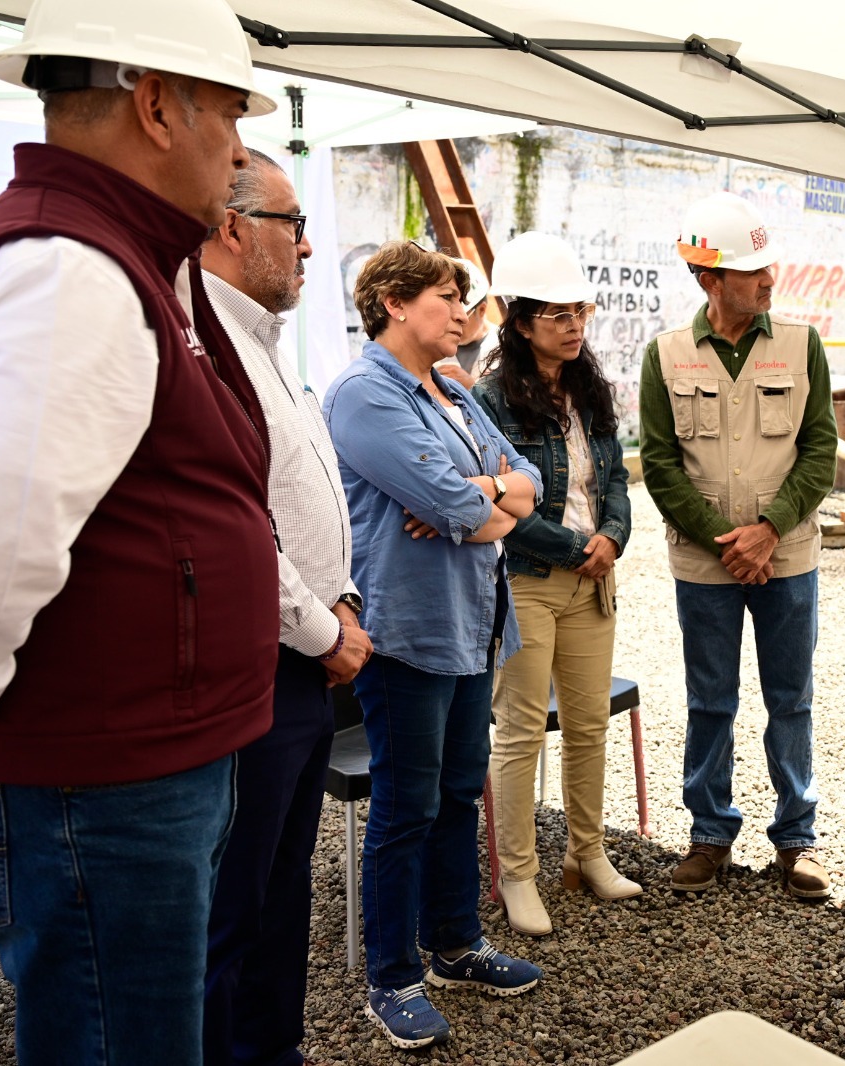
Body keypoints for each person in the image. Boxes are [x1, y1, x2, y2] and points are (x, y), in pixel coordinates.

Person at [0, 1, 280, 1061]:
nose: (235, 152)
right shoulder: (70, 271)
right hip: (92, 785)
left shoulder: (123, 254)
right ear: (157, 106)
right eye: (229, 114)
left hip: (123, 772)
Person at [324, 241, 544, 1050]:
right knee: (406, 808)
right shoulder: (361, 395)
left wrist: (488, 494)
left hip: (472, 623)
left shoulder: (448, 389)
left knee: (458, 794)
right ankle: (393, 978)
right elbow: (454, 507)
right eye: (448, 297)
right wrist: (480, 501)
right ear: (393, 303)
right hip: (408, 635)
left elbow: (525, 481)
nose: (463, 313)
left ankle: (455, 945)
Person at [200, 149, 372, 1066]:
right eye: (291, 225)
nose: (308, 249)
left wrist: (338, 600)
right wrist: (324, 629)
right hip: (261, 668)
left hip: (306, 659)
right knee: (236, 903)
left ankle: (274, 1050)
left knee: (281, 890)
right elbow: (234, 530)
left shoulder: (262, 342)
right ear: (232, 228)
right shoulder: (205, 347)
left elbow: (302, 508)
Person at [639, 191, 839, 900]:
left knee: (792, 698)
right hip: (704, 564)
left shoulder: (801, 345)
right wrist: (723, 542)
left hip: (785, 557)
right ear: (707, 278)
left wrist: (768, 530)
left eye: (768, 265)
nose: (768, 278)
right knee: (710, 700)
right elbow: (659, 464)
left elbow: (821, 452)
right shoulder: (664, 356)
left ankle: (797, 839)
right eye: (750, 269)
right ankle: (710, 836)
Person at [473, 232, 637, 937]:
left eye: (581, 312)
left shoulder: (590, 388)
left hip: (591, 581)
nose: (574, 327)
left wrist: (614, 539)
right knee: (519, 735)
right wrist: (580, 545)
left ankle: (586, 856)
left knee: (589, 724)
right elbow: (500, 509)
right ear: (517, 320)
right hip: (531, 582)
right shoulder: (490, 397)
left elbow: (618, 479)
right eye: (557, 315)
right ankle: (518, 876)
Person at [435, 258, 493, 390]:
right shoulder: (433, 347)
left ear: (482, 310)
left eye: (459, 319)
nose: (451, 324)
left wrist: (473, 387)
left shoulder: (505, 348)